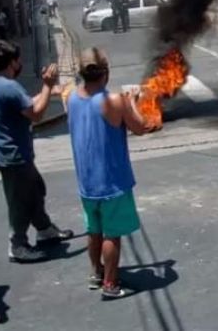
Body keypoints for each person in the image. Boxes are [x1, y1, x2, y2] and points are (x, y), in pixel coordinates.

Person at [67, 48, 146, 298]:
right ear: (106, 72)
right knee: (112, 235)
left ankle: (96, 272)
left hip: (86, 181)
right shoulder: (114, 101)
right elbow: (140, 127)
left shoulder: (70, 97)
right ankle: (110, 284)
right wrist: (132, 101)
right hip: (112, 181)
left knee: (94, 230)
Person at [0, 40, 73, 263]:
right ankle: (17, 245)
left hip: (16, 155)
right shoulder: (9, 87)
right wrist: (46, 85)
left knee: (35, 191)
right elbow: (36, 114)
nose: (21, 63)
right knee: (20, 202)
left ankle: (45, 229)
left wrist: (49, 90)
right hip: (13, 156)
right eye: (18, 60)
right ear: (12, 63)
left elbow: (24, 105)